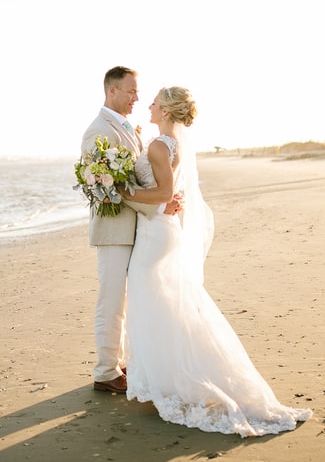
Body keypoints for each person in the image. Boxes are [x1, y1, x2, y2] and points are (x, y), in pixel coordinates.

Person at [122, 86, 312, 436]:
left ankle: (170, 380)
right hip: (164, 228)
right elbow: (170, 192)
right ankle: (165, 376)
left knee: (151, 304)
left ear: (165, 110)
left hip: (155, 233)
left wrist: (121, 192)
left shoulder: (159, 146)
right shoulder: (168, 143)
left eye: (154, 102)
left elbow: (164, 193)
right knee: (165, 305)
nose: (148, 105)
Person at [80, 66, 181, 394]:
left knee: (127, 299)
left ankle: (120, 360)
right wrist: (158, 203)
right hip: (113, 230)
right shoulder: (99, 131)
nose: (137, 97)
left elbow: (137, 179)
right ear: (112, 91)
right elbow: (106, 187)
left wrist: (164, 199)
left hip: (137, 227)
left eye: (138, 92)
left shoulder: (126, 129)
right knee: (111, 301)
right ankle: (105, 371)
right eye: (131, 91)